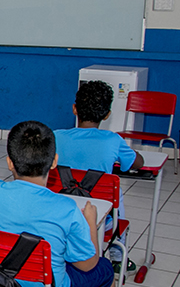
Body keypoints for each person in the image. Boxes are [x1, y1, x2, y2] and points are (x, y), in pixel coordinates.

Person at [0, 121, 146, 287]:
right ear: (54, 161)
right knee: (103, 271)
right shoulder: (66, 208)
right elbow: (88, 265)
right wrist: (90, 223)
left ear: (9, 162)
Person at [54, 80, 143, 271]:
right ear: (107, 114)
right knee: (115, 193)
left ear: (74, 109)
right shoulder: (112, 140)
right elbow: (135, 164)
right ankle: (118, 258)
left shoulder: (55, 136)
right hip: (99, 217)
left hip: (61, 211)